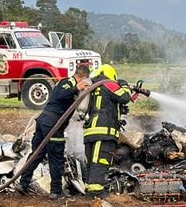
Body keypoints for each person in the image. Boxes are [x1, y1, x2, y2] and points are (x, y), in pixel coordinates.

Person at [15, 63, 89, 197]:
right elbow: (60, 95)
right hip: (53, 125)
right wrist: (76, 88)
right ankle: (56, 191)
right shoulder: (68, 83)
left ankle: (23, 183)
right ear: (83, 77)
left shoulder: (68, 84)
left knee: (37, 154)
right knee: (56, 157)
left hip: (44, 122)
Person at [81, 65, 141, 196]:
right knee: (100, 161)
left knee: (91, 162)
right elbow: (124, 97)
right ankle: (96, 192)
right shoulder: (108, 83)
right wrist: (124, 85)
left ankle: (89, 190)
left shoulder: (94, 87)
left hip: (91, 131)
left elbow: (105, 104)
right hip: (104, 131)